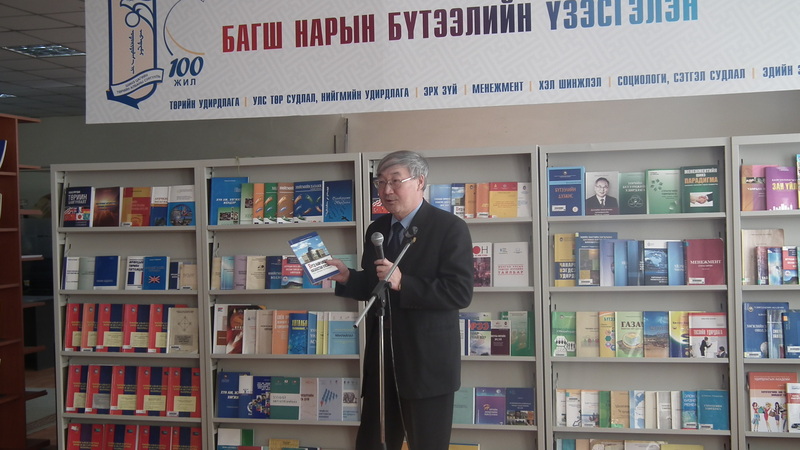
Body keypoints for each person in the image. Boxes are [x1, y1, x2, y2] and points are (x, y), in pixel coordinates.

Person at [326, 150, 474, 450]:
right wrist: (347, 278)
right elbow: (375, 286)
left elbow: (460, 291)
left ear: (420, 182)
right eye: (380, 182)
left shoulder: (449, 228)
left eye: (395, 181)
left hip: (426, 364)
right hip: (382, 358)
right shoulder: (377, 230)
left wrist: (404, 282)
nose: (386, 190)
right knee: (373, 443)